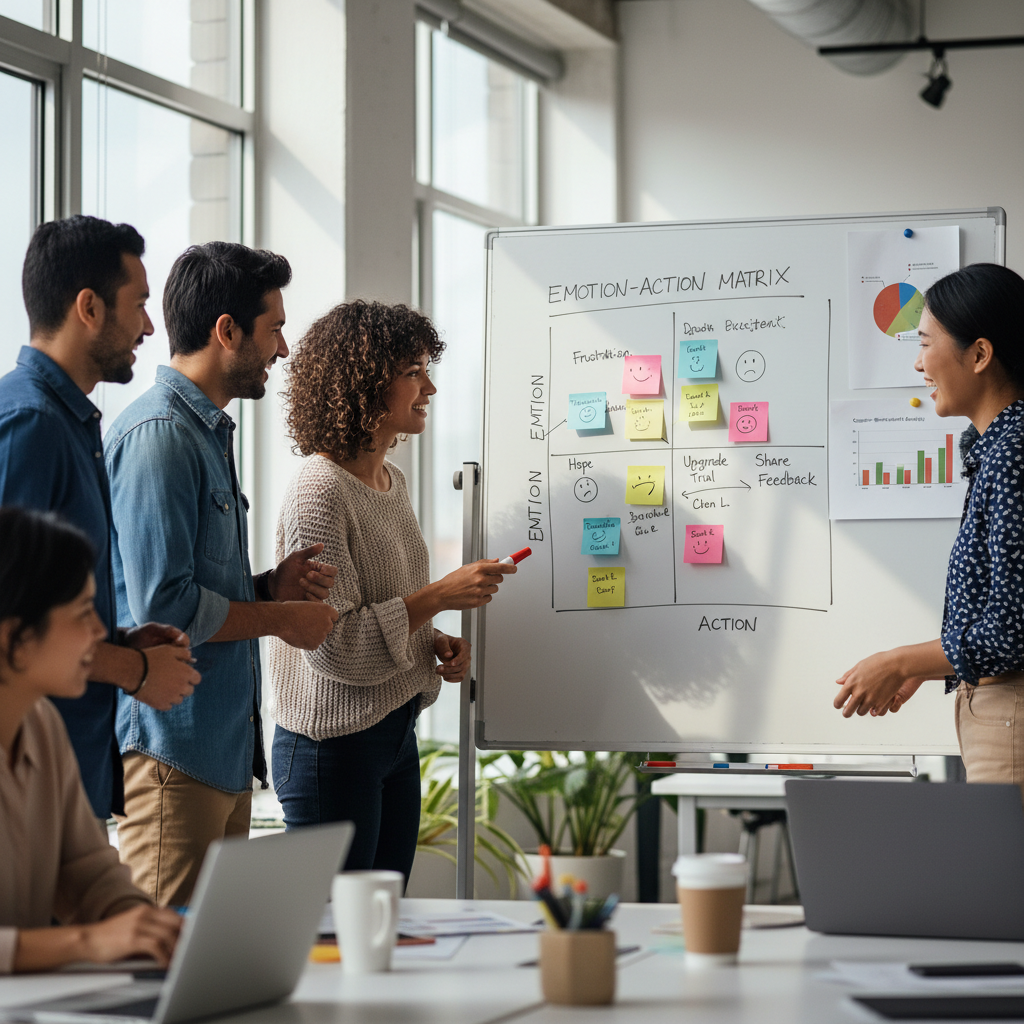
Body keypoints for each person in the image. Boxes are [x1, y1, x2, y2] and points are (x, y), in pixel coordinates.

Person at [104, 242, 339, 907]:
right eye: (274, 329)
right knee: (158, 981)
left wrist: (266, 588)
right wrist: (284, 621)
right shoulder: (159, 436)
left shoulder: (204, 434)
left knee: (209, 980)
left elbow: (191, 588)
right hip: (173, 761)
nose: (285, 349)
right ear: (226, 330)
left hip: (220, 757)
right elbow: (163, 607)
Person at [269, 300, 516, 884]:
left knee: (382, 927)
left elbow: (383, 607)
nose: (428, 387)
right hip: (332, 749)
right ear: (365, 380)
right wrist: (437, 597)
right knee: (334, 944)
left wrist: (433, 641)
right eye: (413, 371)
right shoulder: (318, 493)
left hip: (392, 734)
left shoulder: (390, 481)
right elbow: (336, 648)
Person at [0, 216, 200, 821]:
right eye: (138, 304)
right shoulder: (31, 426)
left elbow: (43, 604)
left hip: (68, 781)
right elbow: (7, 622)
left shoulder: (73, 425)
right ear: (88, 307)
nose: (148, 326)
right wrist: (133, 669)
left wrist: (118, 641)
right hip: (25, 789)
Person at [834, 263, 1024, 795]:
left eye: (924, 343)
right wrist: (935, 665)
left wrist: (899, 662)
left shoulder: (1013, 455)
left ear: (980, 354)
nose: (918, 364)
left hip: (1011, 720)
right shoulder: (997, 450)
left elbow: (1013, 629)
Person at [0, 507, 182, 974]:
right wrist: (86, 942)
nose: (101, 633)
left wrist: (146, 927)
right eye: (83, 614)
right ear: (13, 637)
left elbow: (87, 871)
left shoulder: (39, 723)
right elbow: (86, 933)